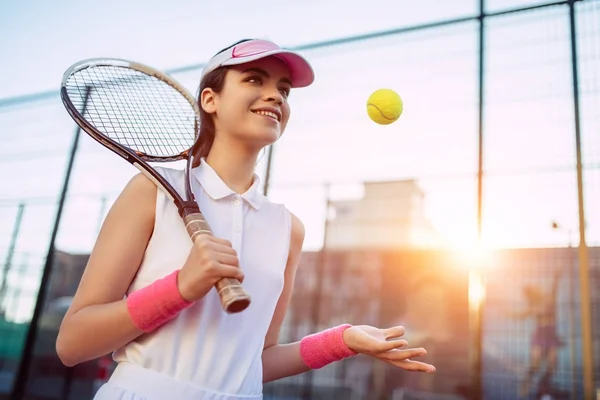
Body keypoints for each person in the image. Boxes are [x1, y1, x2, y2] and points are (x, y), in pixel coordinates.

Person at [55, 38, 436, 400]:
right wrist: (180, 288)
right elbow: (73, 343)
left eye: (284, 90)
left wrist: (345, 340)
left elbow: (257, 361)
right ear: (210, 99)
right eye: (254, 79)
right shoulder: (150, 190)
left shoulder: (289, 229)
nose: (275, 95)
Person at [511, 266, 565, 398]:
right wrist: (510, 314)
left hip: (550, 334)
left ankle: (543, 384)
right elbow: (522, 315)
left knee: (552, 364)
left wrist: (556, 278)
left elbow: (553, 291)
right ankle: (526, 385)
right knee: (536, 364)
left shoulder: (547, 299)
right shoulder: (534, 306)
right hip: (541, 335)